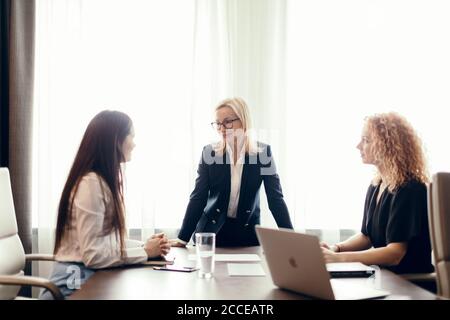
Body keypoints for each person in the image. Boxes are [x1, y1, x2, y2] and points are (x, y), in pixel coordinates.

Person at [40, 110, 170, 299]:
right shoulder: (91, 184)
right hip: (74, 283)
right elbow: (94, 255)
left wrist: (147, 245)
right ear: (115, 140)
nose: (134, 143)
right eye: (131, 136)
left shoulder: (102, 182)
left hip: (90, 276)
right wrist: (145, 252)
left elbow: (107, 244)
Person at [171, 97, 293, 247]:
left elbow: (275, 199)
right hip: (211, 233)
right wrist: (182, 238)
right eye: (218, 123)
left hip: (247, 235)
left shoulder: (263, 154)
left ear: (243, 121)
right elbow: (198, 197)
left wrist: (291, 239)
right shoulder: (209, 153)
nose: (222, 128)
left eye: (228, 122)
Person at [321, 112, 434, 274]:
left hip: (411, 285)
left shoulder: (411, 188)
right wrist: (336, 249)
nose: (358, 146)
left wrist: (338, 259)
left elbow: (395, 253)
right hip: (386, 280)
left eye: (366, 140)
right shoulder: (376, 185)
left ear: (387, 145)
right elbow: (366, 237)